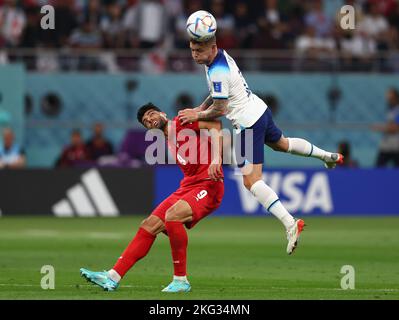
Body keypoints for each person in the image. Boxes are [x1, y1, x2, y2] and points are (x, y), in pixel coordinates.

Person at [178, 34, 344, 255]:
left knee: (251, 181)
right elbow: (217, 93)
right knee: (282, 144)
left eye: (198, 51)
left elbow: (220, 109)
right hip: (259, 109)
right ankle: (327, 157)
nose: (194, 55)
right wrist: (200, 107)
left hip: (247, 124)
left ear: (213, 47)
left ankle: (290, 223)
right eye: (192, 50)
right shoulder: (220, 58)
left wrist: (196, 116)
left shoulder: (216, 71)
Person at [80, 103, 224, 293]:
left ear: (163, 113)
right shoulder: (168, 137)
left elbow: (215, 126)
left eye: (151, 114)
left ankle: (181, 281)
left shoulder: (181, 123)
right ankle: (113, 276)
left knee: (172, 216)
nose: (149, 120)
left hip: (209, 184)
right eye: (145, 121)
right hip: (188, 186)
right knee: (149, 225)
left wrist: (216, 159)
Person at [372, 88, 399, 167]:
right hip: (386, 145)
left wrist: (380, 128)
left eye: (391, 98)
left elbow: (395, 128)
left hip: (396, 146)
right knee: (378, 168)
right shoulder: (389, 110)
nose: (389, 100)